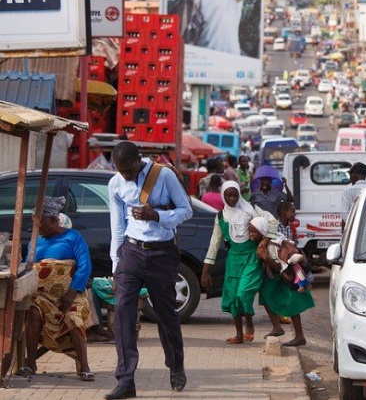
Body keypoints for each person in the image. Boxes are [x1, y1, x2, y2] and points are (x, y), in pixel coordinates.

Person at [106, 141, 192, 399]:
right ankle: (125, 379)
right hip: (131, 252)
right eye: (121, 171)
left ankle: (176, 364)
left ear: (138, 160)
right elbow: (117, 224)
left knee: (166, 314)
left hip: (162, 253)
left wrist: (157, 216)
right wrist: (115, 263)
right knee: (122, 312)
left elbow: (186, 210)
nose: (126, 176)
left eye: (129, 171)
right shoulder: (115, 184)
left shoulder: (163, 175)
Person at [20, 196, 94, 381]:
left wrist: (72, 292)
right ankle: (30, 363)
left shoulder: (73, 237)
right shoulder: (34, 242)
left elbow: (85, 266)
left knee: (74, 318)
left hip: (70, 296)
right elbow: (27, 267)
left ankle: (84, 366)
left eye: (40, 223)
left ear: (53, 220)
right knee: (33, 311)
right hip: (41, 296)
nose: (37, 227)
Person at [201, 181, 273, 345]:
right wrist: (206, 272)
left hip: (251, 257)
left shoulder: (251, 211)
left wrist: (264, 243)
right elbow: (214, 244)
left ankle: (249, 324)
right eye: (229, 195)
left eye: (235, 195)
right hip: (233, 260)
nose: (232, 198)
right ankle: (239, 334)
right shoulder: (220, 217)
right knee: (233, 296)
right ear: (223, 196)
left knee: (243, 292)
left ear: (239, 195)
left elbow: (271, 223)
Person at [250, 216, 315, 347]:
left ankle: (299, 336)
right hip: (278, 277)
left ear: (262, 231)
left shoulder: (271, 245)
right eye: (249, 231)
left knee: (292, 303)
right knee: (264, 295)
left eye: (253, 232)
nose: (250, 234)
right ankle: (277, 327)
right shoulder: (268, 240)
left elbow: (279, 267)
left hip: (284, 277)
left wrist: (265, 257)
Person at [340, 162, 366, 227]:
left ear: (354, 176)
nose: (350, 179)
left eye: (350, 176)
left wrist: (354, 226)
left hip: (354, 230)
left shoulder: (348, 192)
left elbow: (344, 213)